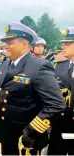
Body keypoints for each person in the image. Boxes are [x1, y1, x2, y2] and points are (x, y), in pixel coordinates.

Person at [0, 22, 66, 155]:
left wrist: (31, 130)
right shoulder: (5, 64)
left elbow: (56, 104)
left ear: (24, 43)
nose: (6, 46)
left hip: (26, 138)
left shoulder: (40, 66)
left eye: (10, 42)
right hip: (5, 132)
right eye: (6, 43)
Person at [47, 27, 74, 155]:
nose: (63, 46)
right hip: (60, 124)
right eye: (63, 43)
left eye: (68, 43)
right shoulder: (58, 66)